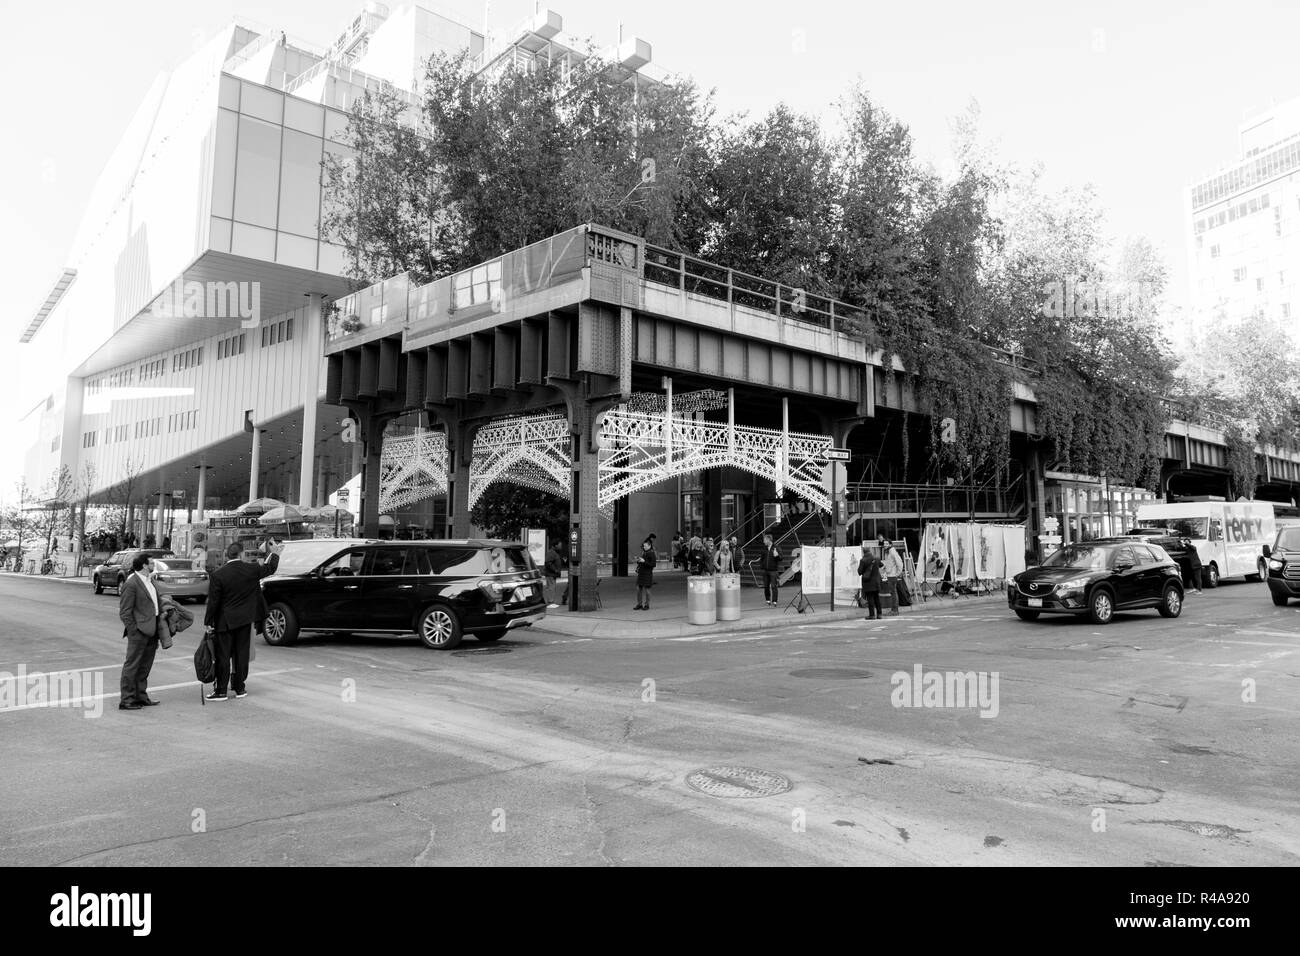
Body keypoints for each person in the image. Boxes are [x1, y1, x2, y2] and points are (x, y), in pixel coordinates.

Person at [203, 540, 280, 701]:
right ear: (242, 554)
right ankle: (239, 688)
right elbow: (270, 568)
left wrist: (209, 622)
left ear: (227, 555)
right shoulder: (251, 569)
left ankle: (221, 691)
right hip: (245, 620)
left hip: (225, 621)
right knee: (241, 654)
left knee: (223, 656)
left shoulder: (218, 575)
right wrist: (275, 553)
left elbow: (213, 602)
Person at [117, 554, 164, 710]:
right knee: (132, 666)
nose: (153, 565)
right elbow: (125, 612)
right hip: (139, 632)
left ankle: (141, 696)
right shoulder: (132, 583)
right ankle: (127, 699)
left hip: (152, 631)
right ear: (144, 565)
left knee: (145, 666)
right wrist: (134, 631)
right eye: (151, 562)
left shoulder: (149, 580)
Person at [881, 536, 910, 606]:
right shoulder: (887, 552)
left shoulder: (893, 552)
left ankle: (895, 610)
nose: (885, 545)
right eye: (884, 544)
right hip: (890, 575)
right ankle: (894, 609)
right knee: (893, 593)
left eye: (887, 544)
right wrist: (884, 567)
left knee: (893, 593)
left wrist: (897, 574)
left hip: (892, 576)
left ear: (890, 545)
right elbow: (890, 563)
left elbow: (900, 564)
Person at [858, 542, 883, 620]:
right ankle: (879, 614)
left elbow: (859, 572)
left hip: (868, 583)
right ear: (870, 551)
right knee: (877, 598)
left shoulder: (863, 560)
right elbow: (881, 565)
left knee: (870, 598)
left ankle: (872, 615)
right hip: (876, 582)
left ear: (863, 552)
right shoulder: (876, 558)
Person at [634, 538, 657, 610]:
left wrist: (644, 561)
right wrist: (639, 560)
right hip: (641, 573)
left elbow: (653, 564)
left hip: (647, 573)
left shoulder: (652, 553)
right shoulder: (644, 552)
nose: (644, 547)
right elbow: (642, 561)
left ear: (649, 546)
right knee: (638, 588)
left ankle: (647, 605)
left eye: (645, 546)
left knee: (647, 590)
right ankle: (639, 604)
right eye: (643, 546)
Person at [759, 534, 782, 606]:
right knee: (766, 586)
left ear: (769, 540)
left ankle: (774, 601)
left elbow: (781, 558)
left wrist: (777, 555)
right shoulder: (764, 548)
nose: (763, 542)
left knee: (773, 586)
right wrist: (762, 566)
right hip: (765, 571)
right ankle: (768, 599)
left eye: (765, 540)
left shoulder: (776, 547)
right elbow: (762, 558)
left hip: (773, 571)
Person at [543, 542, 563, 608]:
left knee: (552, 587)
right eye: (559, 545)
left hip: (552, 574)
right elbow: (547, 562)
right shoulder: (552, 552)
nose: (561, 547)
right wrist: (555, 570)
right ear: (555, 545)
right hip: (550, 574)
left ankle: (551, 601)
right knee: (551, 587)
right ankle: (550, 602)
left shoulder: (554, 552)